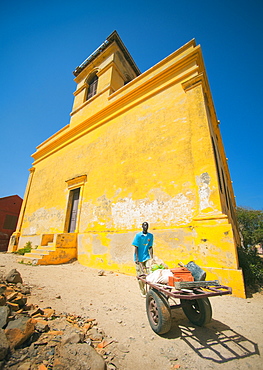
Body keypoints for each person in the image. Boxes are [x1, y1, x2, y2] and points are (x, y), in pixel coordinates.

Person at [132, 222, 154, 297]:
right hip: (139, 258)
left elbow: (150, 247)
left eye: (147, 225)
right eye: (144, 225)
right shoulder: (138, 235)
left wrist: (152, 258)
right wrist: (137, 258)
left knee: (150, 273)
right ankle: (142, 291)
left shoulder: (150, 236)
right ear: (142, 226)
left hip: (146, 257)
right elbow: (136, 247)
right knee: (140, 275)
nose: (146, 226)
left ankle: (151, 291)